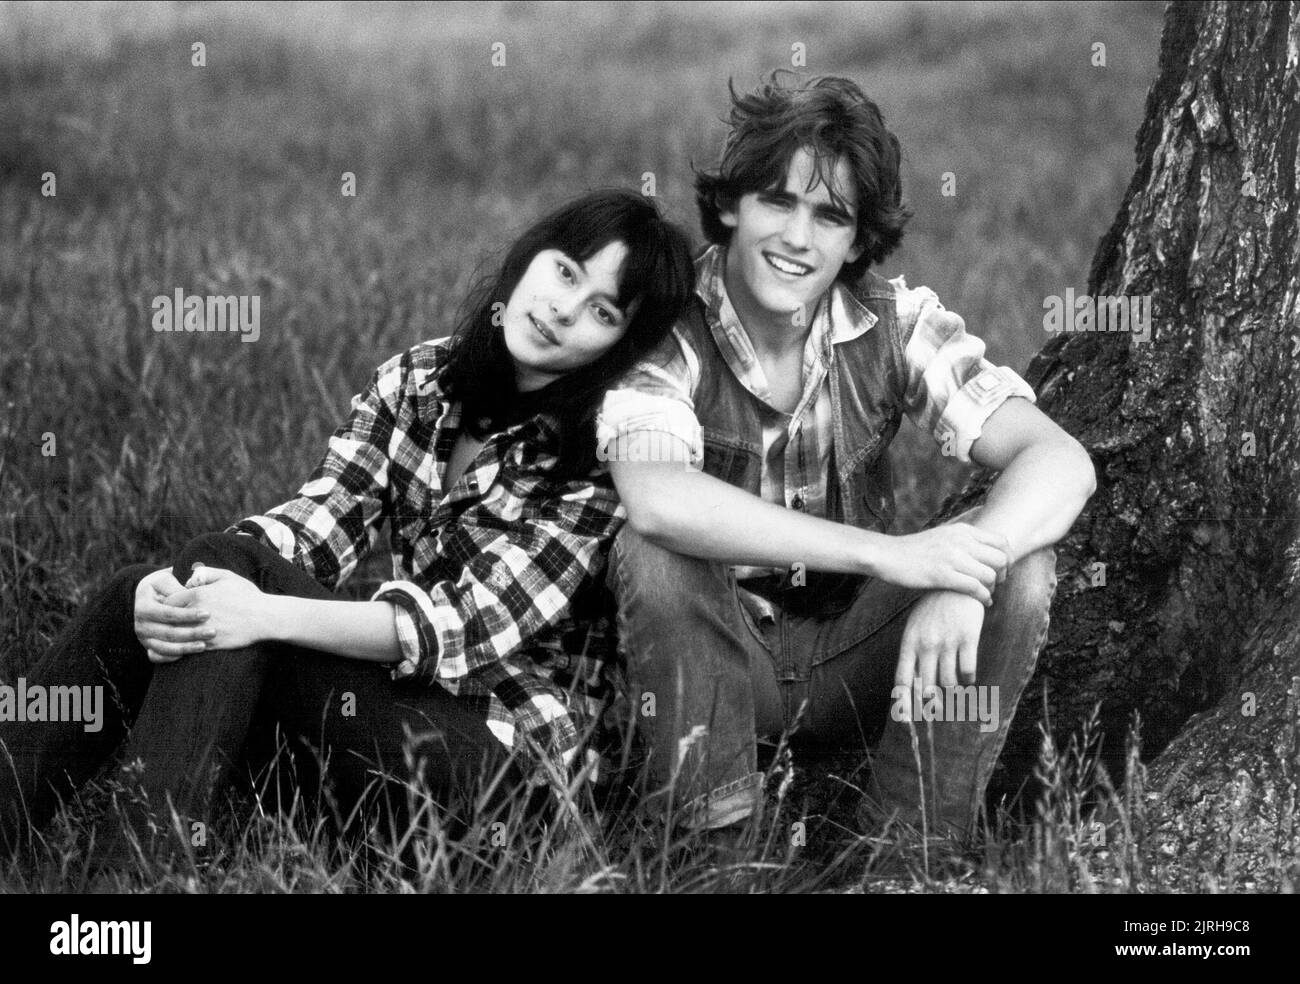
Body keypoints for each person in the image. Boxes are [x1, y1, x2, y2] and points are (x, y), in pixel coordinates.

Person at [0, 189, 695, 863]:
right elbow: (316, 523)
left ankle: (139, 882)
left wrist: (263, 612)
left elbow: (457, 624)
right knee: (153, 593)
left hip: (502, 781)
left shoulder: (598, 454)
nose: (563, 310)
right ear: (529, 256)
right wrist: (184, 584)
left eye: (601, 310)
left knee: (229, 597)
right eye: (565, 272)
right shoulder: (418, 382)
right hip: (383, 721)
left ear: (619, 344)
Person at [597, 73, 1096, 844]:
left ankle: (906, 853)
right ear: (730, 203)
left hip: (857, 654)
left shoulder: (894, 324)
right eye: (776, 201)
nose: (798, 238)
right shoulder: (667, 323)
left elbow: (1060, 459)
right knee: (654, 552)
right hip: (723, 666)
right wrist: (899, 557)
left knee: (1017, 566)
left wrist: (961, 573)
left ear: (858, 240)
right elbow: (657, 497)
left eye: (829, 216)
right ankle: (719, 858)